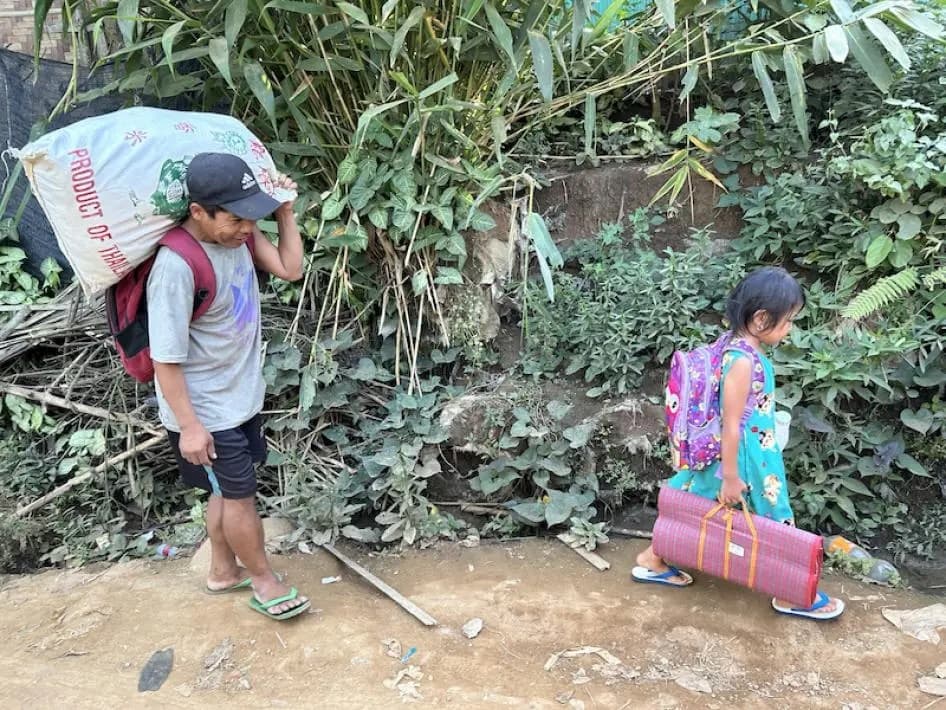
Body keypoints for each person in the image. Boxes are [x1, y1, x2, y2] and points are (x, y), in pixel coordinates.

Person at [147, 152, 309, 621]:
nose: (245, 228)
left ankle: (222, 570)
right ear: (199, 211)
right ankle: (264, 579)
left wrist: (284, 213)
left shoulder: (239, 235)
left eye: (250, 217)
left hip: (238, 397)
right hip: (206, 410)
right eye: (235, 219)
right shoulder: (176, 268)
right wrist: (190, 427)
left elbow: (290, 268)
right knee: (240, 497)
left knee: (224, 491)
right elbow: (165, 359)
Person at [632, 266, 845, 621]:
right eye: (788, 321)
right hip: (745, 459)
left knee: (691, 502)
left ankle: (653, 558)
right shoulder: (743, 362)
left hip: (729, 455)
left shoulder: (731, 346)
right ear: (761, 319)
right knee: (774, 514)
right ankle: (791, 594)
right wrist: (731, 477)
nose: (790, 329)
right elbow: (731, 424)